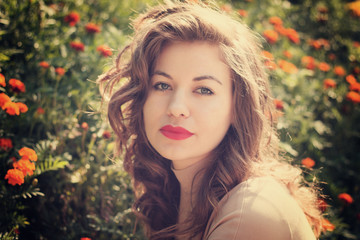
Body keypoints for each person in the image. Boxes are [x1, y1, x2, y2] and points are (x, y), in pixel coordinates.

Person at [98, 1, 323, 239]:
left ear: (238, 106)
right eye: (162, 85)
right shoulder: (177, 196)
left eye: (204, 90)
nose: (176, 108)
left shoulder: (251, 211)